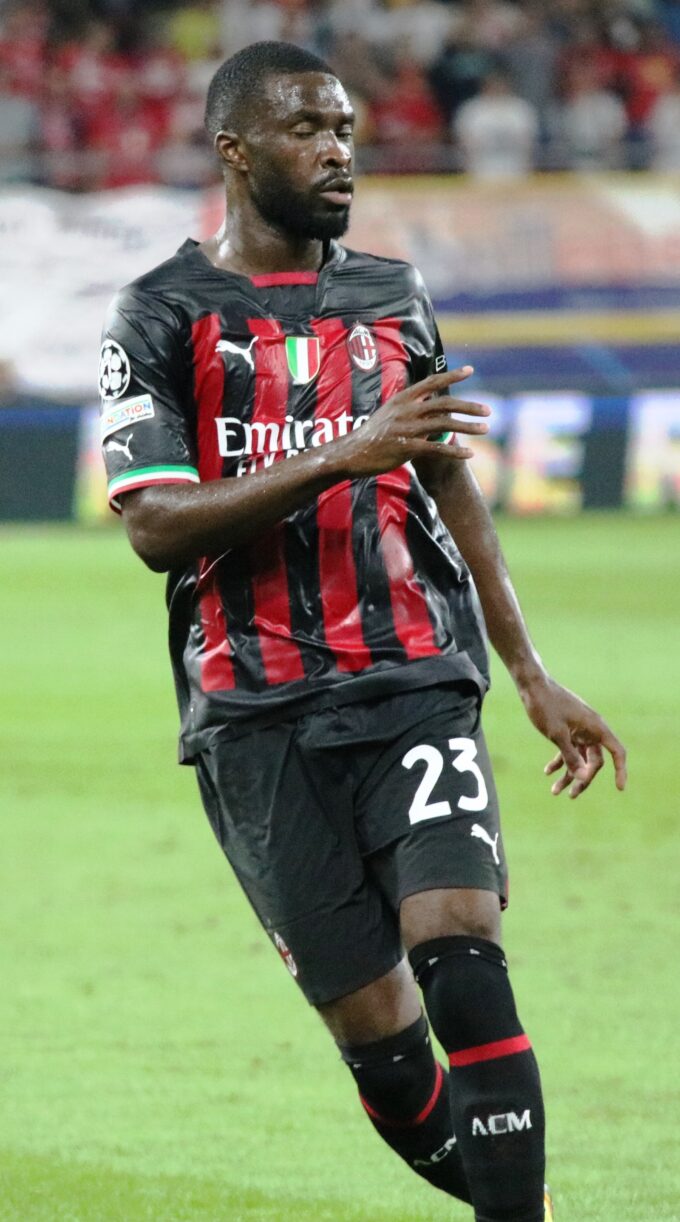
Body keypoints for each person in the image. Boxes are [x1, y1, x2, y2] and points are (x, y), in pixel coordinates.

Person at [99, 40, 626, 1222]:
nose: (337, 150)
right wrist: (342, 451)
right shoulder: (160, 313)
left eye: (343, 127)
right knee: (385, 1052)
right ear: (234, 152)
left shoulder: (392, 296)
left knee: (463, 960)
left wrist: (527, 670)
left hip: (411, 679)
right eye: (304, 129)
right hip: (252, 717)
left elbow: (445, 479)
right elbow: (157, 528)